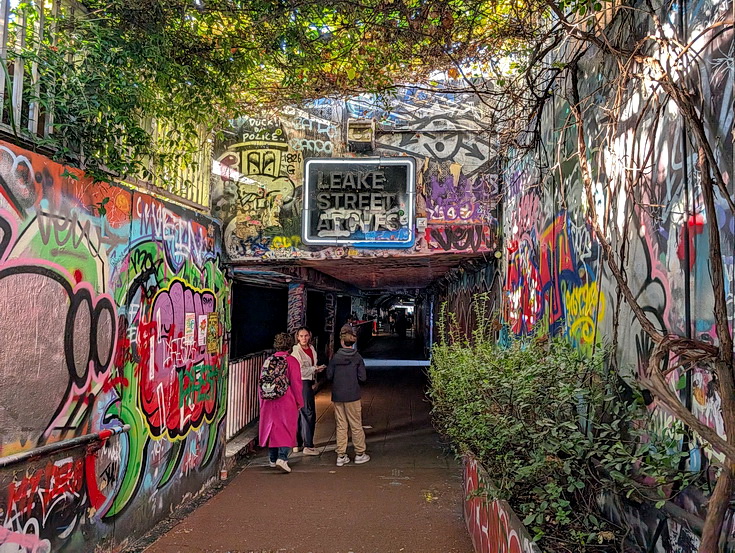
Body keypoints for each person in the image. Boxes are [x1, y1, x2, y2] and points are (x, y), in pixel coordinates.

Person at [258, 332, 303, 473]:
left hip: (269, 400)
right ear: (290, 345)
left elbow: (262, 381)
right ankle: (282, 458)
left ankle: (272, 458)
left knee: (273, 429)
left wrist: (262, 401)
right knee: (286, 429)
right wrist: (299, 401)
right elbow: (296, 383)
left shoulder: (268, 360)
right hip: (286, 399)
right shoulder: (292, 361)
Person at [326, 325, 370, 467]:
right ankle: (360, 454)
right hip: (353, 395)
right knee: (356, 425)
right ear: (353, 341)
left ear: (341, 341)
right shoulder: (357, 358)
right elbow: (363, 377)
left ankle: (341, 455)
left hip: (338, 396)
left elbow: (329, 375)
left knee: (341, 425)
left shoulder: (335, 358)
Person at [291, 326, 325, 455]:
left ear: (309, 336)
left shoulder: (311, 348)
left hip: (308, 381)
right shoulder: (296, 352)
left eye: (306, 336)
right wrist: (314, 369)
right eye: (301, 336)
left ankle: (297, 443)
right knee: (308, 412)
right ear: (297, 337)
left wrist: (314, 370)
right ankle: (308, 445)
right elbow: (299, 370)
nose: (304, 338)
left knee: (302, 413)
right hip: (302, 382)